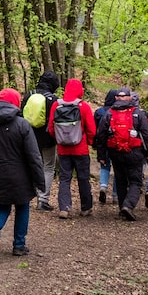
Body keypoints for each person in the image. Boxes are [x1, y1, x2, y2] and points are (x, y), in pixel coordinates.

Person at [0, 88, 45, 257]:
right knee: (22, 206)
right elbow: (33, 155)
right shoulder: (22, 124)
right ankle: (19, 245)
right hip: (20, 176)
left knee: (2, 206)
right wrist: (40, 180)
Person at [93, 88, 148, 221]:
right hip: (135, 153)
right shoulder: (137, 113)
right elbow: (147, 134)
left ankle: (122, 208)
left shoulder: (109, 114)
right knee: (135, 181)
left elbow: (101, 135)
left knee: (120, 180)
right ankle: (128, 205)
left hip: (115, 153)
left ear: (116, 98)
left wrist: (102, 155)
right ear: (129, 98)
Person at [47, 78, 97, 218]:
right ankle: (86, 208)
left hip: (63, 149)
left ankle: (64, 208)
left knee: (64, 178)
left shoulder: (56, 105)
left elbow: (51, 128)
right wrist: (91, 142)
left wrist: (59, 139)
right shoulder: (83, 106)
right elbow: (92, 129)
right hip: (80, 149)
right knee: (83, 178)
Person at [21, 71, 61, 210]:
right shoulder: (53, 99)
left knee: (30, 165)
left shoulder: (29, 95)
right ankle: (42, 199)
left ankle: (27, 196)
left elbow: (21, 115)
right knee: (48, 167)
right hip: (47, 138)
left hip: (29, 137)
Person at [93, 89, 120, 206]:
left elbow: (94, 131)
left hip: (103, 144)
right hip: (116, 144)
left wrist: (95, 145)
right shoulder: (118, 112)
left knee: (104, 166)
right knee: (117, 169)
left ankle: (103, 187)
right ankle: (115, 195)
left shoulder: (99, 112)